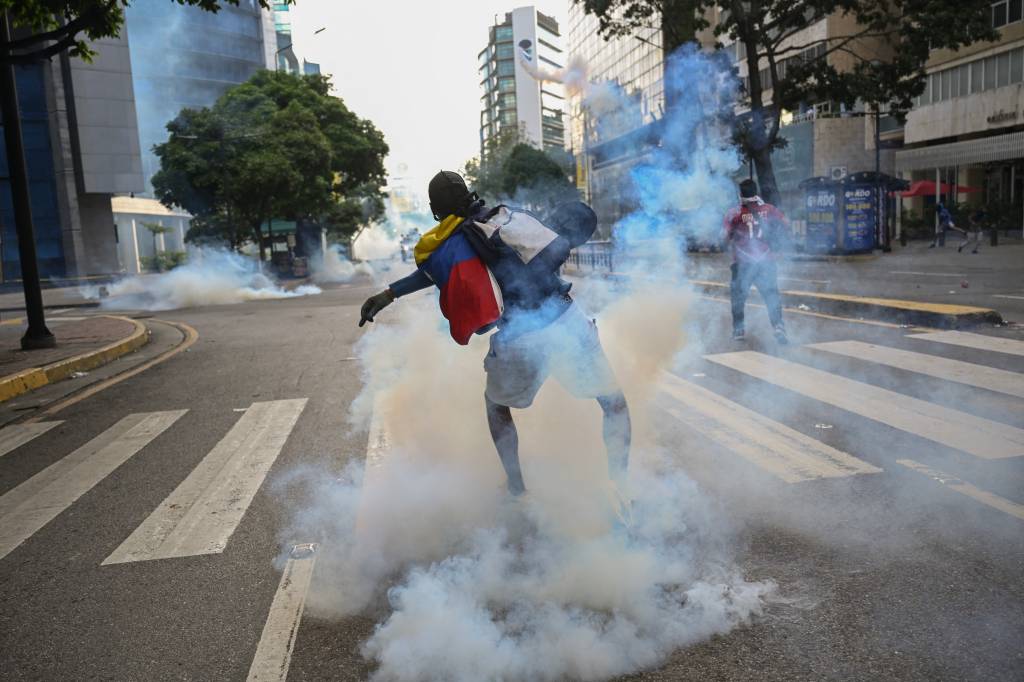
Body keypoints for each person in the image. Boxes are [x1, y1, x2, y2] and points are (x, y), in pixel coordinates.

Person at [358, 170, 631, 499]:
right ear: (468, 194)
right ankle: (621, 484)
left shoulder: (451, 245)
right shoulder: (507, 216)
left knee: (496, 407)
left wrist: (388, 294)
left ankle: (516, 489)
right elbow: (552, 244)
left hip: (520, 335)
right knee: (614, 402)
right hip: (566, 318)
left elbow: (428, 275)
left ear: (435, 209)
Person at [722, 179, 788, 344]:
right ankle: (778, 326)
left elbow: (724, 237)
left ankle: (739, 330)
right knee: (771, 295)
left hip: (743, 263)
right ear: (756, 192)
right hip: (766, 261)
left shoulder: (734, 213)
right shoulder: (769, 209)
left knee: (738, 298)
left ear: (740, 194)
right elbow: (785, 224)